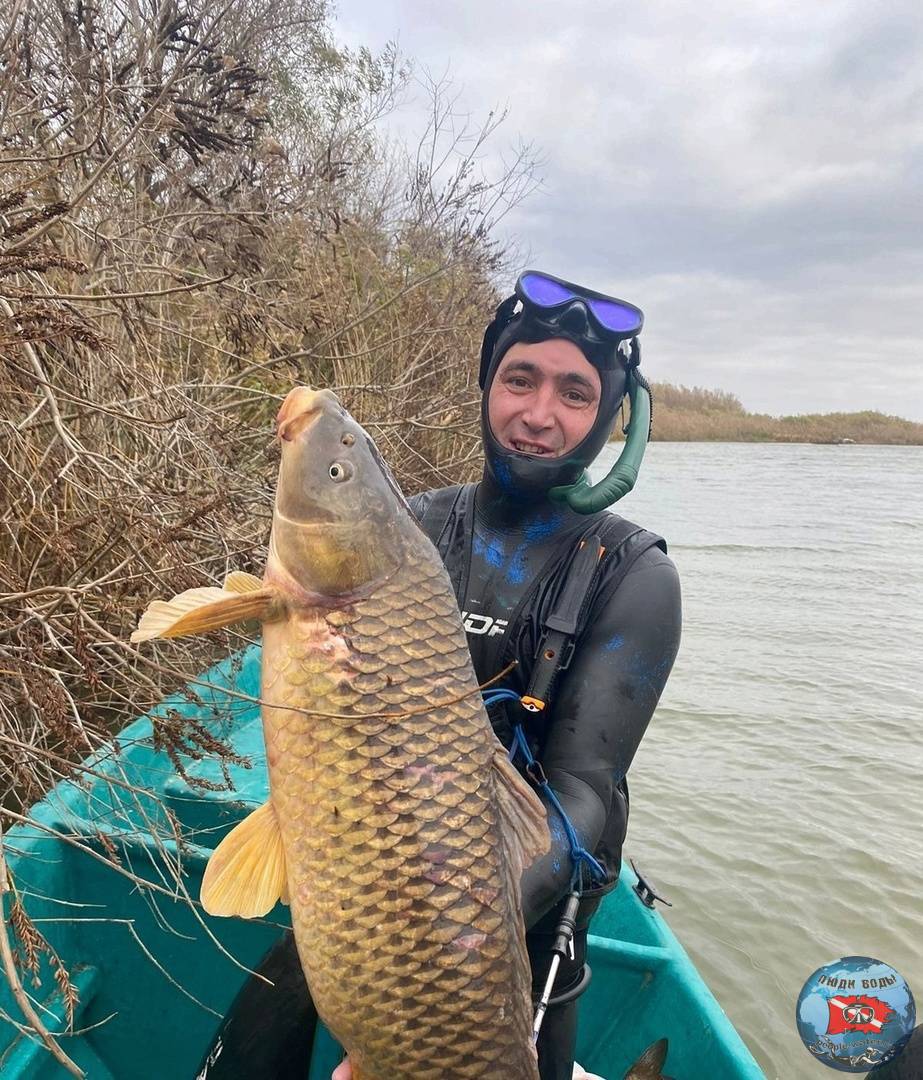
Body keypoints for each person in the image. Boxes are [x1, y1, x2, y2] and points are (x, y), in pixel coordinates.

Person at [198, 270, 682, 1080]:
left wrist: (451, 929)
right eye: (519, 379)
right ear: (486, 383)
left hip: (514, 920)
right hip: (354, 875)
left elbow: (587, 790)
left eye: (573, 392)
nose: (537, 413)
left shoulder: (632, 576)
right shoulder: (410, 525)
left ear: (610, 417)